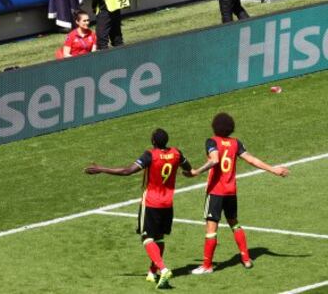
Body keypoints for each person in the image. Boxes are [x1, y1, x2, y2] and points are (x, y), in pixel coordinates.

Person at [86, 128, 193, 289]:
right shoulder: (177, 153)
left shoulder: (150, 155)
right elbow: (187, 168)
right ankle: (152, 272)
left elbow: (127, 171)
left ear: (154, 142)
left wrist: (102, 169)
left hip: (150, 203)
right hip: (167, 203)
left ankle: (163, 269)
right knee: (159, 238)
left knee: (147, 238)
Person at [186, 112, 290, 275]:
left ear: (215, 127)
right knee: (234, 223)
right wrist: (274, 170)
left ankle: (207, 266)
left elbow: (214, 160)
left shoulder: (212, 141)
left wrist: (196, 172)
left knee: (211, 229)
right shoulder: (236, 143)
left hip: (216, 192)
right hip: (231, 191)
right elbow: (252, 160)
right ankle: (246, 259)